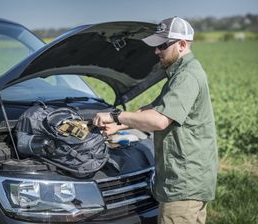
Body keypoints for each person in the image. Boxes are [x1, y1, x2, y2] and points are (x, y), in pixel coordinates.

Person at [92, 16, 218, 224]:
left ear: (182, 44)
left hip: (183, 184)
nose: (156, 51)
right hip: (190, 179)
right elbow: (152, 108)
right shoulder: (179, 74)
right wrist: (118, 126)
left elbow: (159, 120)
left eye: (162, 45)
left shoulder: (187, 76)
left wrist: (115, 115)